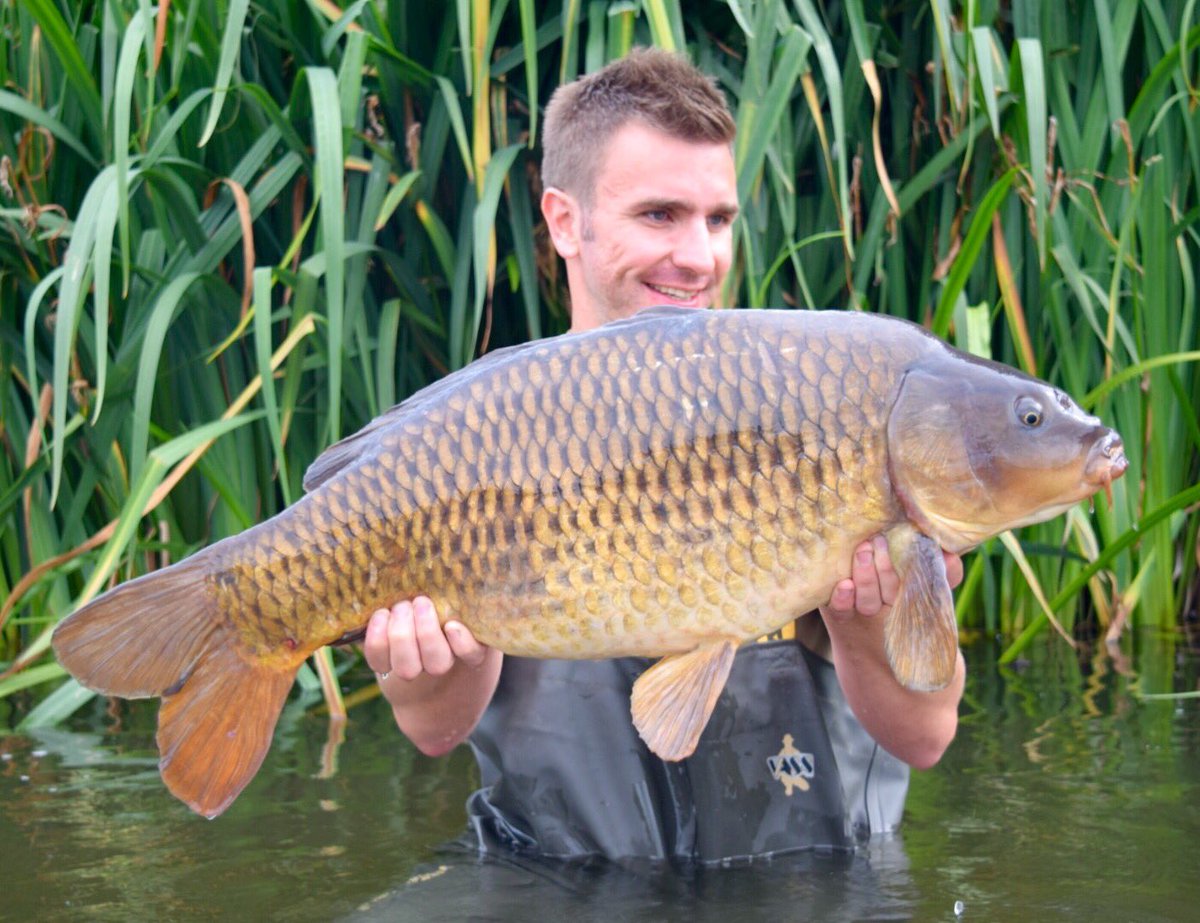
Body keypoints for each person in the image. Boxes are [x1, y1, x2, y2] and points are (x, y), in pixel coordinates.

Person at [362, 49, 965, 862]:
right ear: (565, 221)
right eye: (659, 215)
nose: (698, 255)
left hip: (811, 886)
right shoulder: (486, 438)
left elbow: (925, 737)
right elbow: (436, 729)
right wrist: (428, 663)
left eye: (717, 219)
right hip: (561, 888)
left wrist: (864, 624)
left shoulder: (814, 408)